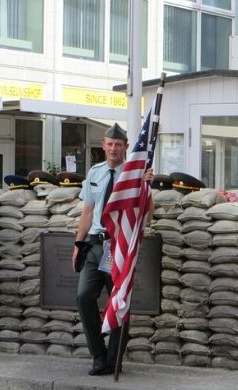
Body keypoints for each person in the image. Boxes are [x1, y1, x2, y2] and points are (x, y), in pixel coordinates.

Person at [73, 123, 153, 376]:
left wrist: (147, 188)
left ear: (126, 147)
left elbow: (146, 217)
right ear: (103, 145)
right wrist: (78, 242)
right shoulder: (95, 173)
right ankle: (98, 354)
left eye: (119, 145)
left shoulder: (135, 175)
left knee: (119, 301)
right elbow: (87, 211)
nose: (114, 148)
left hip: (118, 247)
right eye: (110, 144)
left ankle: (113, 357)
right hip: (96, 245)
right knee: (84, 296)